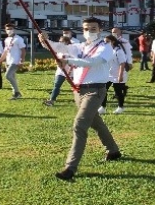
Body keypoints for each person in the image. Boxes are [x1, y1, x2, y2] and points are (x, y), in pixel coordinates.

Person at [38, 17, 121, 181]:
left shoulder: (105, 48)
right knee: (96, 123)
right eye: (86, 28)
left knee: (79, 125)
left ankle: (70, 168)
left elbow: (92, 62)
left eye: (93, 28)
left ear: (99, 30)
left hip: (95, 91)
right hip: (78, 91)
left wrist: (68, 61)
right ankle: (114, 151)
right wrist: (45, 41)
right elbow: (59, 47)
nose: (89, 31)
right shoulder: (80, 47)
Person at [0, 24, 26, 100]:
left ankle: (17, 93)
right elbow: (5, 52)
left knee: (8, 76)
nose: (9, 30)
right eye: (7, 29)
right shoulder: (7, 40)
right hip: (8, 61)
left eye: (11, 28)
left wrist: (21, 60)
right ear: (5, 30)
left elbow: (23, 50)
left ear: (14, 29)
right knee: (12, 77)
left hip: (15, 61)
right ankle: (16, 93)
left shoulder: (18, 39)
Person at [99, 35, 128, 114]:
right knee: (103, 90)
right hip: (108, 74)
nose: (105, 43)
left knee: (118, 91)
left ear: (113, 42)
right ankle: (103, 107)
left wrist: (120, 75)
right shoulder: (106, 51)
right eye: (104, 42)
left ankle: (120, 107)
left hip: (117, 74)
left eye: (107, 42)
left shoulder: (118, 51)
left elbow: (122, 64)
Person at [44, 36, 77, 106]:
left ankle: (82, 99)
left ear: (67, 42)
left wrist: (69, 72)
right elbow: (57, 61)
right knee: (57, 85)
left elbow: (74, 63)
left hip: (71, 73)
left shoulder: (72, 51)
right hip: (61, 72)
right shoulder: (59, 51)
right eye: (59, 41)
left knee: (75, 87)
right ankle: (52, 100)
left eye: (62, 42)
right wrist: (59, 64)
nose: (60, 43)